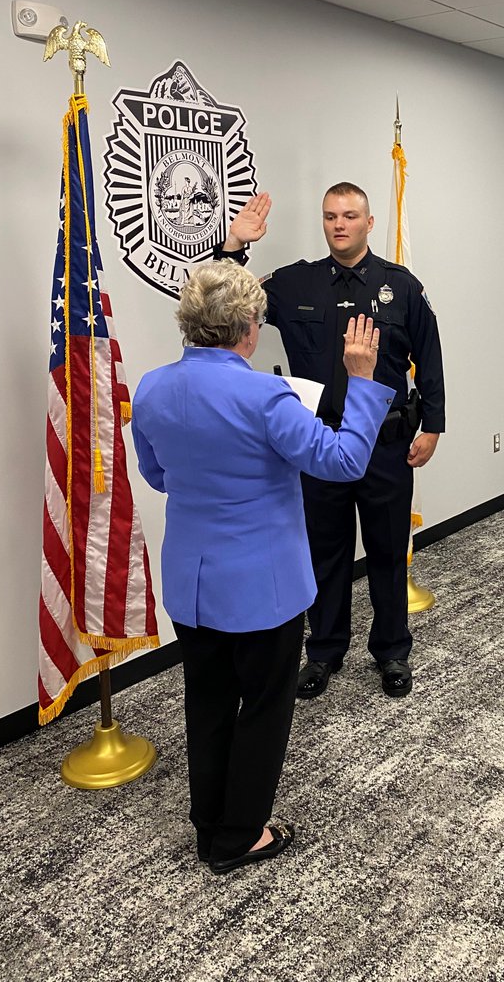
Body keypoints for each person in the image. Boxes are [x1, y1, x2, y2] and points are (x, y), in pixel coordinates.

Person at [131, 260, 393, 875]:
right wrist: (361, 378)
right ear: (250, 326)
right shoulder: (264, 395)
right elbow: (345, 459)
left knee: (209, 701)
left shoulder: (151, 388)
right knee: (266, 706)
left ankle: (209, 825)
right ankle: (240, 835)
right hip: (261, 587)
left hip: (192, 583)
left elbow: (159, 475)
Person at [214, 183, 445, 700]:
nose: (339, 224)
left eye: (349, 215)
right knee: (325, 551)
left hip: (385, 445)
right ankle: (323, 651)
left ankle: (391, 650)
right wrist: (233, 247)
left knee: (387, 551)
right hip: (317, 442)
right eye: (330, 216)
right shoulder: (295, 282)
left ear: (368, 221)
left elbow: (429, 357)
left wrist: (432, 424)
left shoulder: (400, 286)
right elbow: (226, 306)